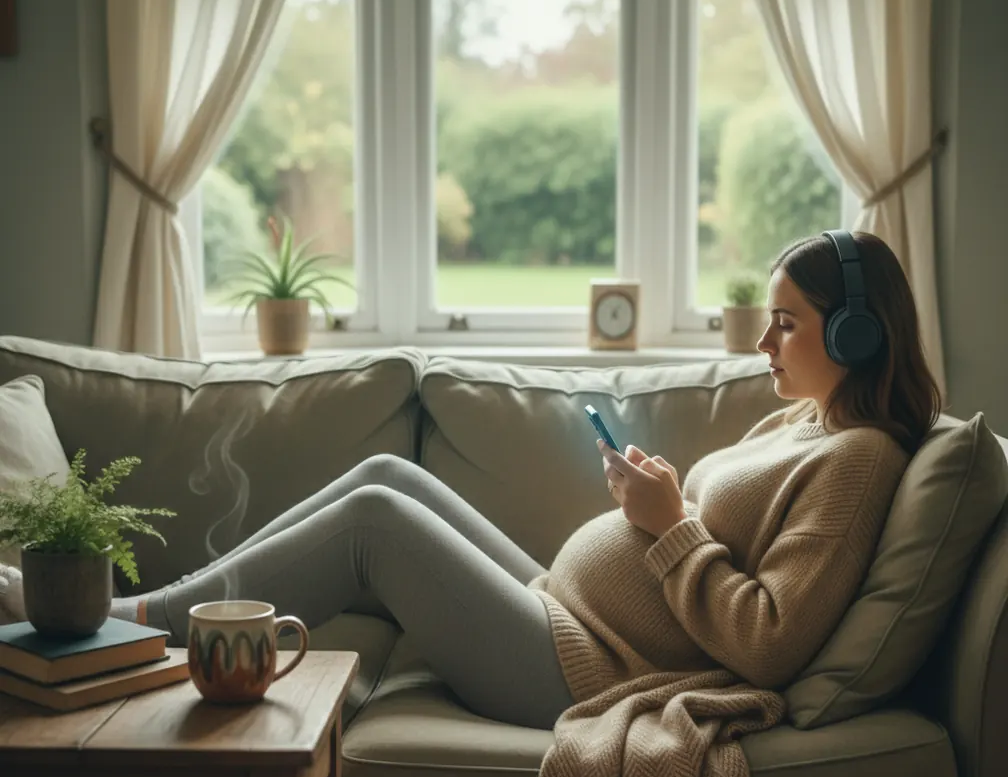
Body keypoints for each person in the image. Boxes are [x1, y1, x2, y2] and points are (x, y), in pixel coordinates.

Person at [1, 230, 940, 731]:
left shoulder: (859, 463)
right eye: (768, 319)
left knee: (374, 521)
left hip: (584, 673)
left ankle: (119, 625)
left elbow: (770, 642)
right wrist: (663, 504)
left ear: (856, 335)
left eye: (786, 321)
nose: (764, 340)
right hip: (572, 617)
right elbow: (717, 543)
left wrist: (669, 528)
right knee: (381, 472)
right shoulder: (806, 420)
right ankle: (136, 614)